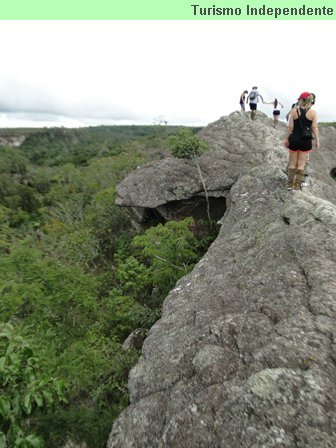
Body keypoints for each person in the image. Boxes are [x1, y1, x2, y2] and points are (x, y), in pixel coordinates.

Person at [284, 92, 320, 191]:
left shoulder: (294, 111)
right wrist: (317, 140)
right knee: (301, 164)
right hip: (305, 141)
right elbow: (314, 127)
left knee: (292, 163)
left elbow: (290, 127)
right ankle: (297, 185)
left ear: (301, 100)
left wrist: (286, 138)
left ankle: (289, 185)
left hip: (294, 139)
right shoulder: (313, 113)